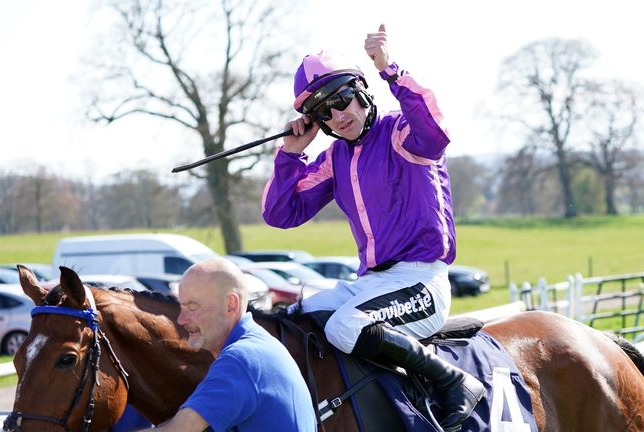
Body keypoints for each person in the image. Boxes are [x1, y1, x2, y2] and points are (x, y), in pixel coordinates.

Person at [261, 24, 485, 432]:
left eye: (342, 100)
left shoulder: (402, 131)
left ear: (362, 92)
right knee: (289, 318)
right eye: (321, 112)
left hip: (422, 284)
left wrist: (389, 69)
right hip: (369, 285)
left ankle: (453, 380)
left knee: (346, 326)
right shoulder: (334, 158)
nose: (336, 116)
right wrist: (290, 153)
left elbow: (436, 131)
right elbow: (282, 214)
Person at [137, 257, 316, 432]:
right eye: (182, 307)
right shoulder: (260, 345)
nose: (181, 319)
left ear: (230, 305)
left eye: (192, 307)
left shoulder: (241, 358)